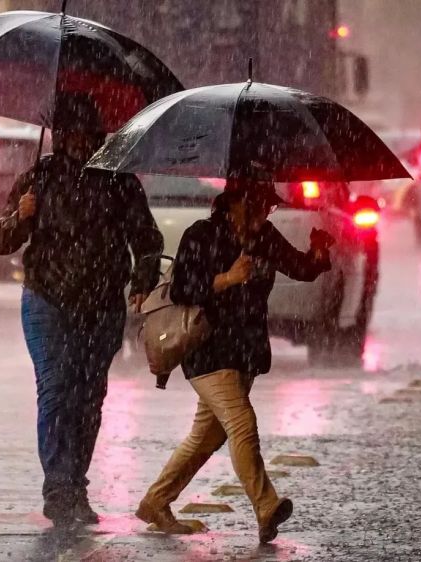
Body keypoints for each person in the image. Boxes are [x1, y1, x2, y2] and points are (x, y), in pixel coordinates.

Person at [0, 95, 163, 526]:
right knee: (55, 390)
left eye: (86, 135)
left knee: (88, 398)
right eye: (70, 135)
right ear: (59, 135)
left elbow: (147, 239)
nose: (78, 143)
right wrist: (21, 216)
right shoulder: (39, 179)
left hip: (102, 308)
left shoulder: (120, 182)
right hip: (47, 301)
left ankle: (75, 484)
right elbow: (0, 241)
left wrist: (141, 280)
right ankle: (58, 487)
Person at [135, 179, 334, 543]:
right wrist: (226, 279)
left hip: (244, 351)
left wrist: (318, 255)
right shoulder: (202, 235)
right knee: (242, 423)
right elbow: (182, 289)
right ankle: (266, 506)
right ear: (235, 203)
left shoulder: (264, 236)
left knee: (206, 437)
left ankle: (156, 501)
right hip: (207, 350)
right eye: (258, 207)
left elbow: (298, 268)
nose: (264, 215)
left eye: (269, 209)